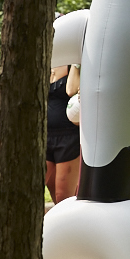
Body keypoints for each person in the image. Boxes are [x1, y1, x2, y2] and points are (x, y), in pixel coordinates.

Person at [45, 60, 80, 204]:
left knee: (63, 198)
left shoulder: (73, 64)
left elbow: (71, 90)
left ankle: (76, 225)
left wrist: (76, 63)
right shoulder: (43, 59)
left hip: (68, 138)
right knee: (41, 189)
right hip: (44, 136)